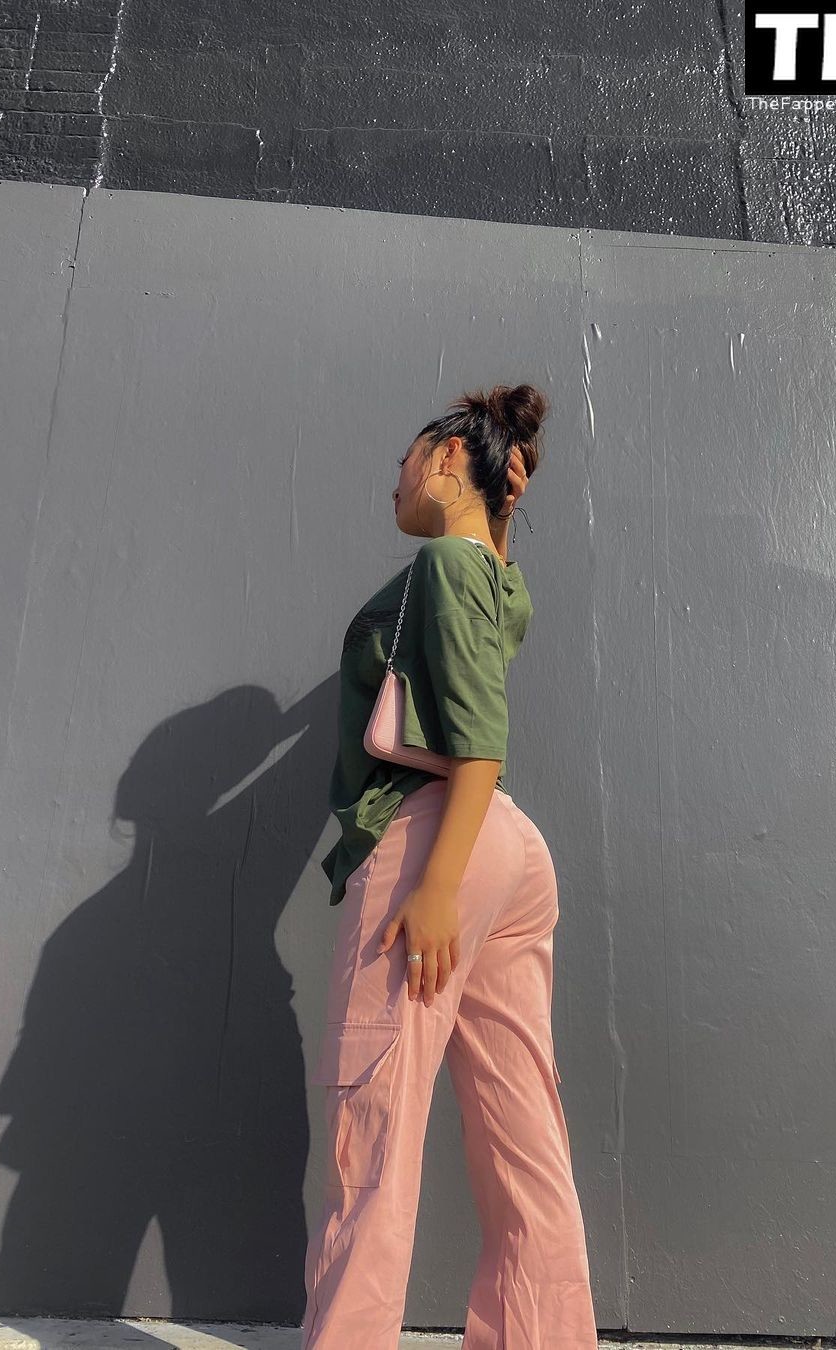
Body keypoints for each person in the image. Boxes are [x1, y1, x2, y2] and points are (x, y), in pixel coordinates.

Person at [301, 383, 596, 1349]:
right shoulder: (498, 578)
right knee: (523, 1132)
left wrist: (433, 887)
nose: (392, 480)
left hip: (436, 841)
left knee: (374, 1128)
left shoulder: (441, 563)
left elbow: (478, 737)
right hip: (507, 852)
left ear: (444, 459)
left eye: (405, 458)